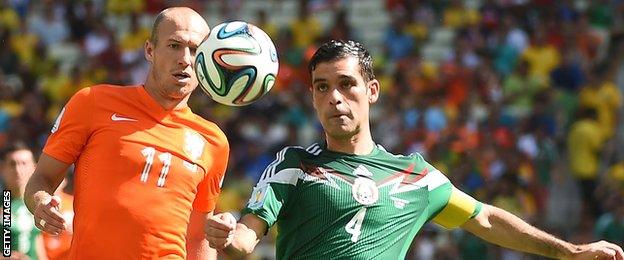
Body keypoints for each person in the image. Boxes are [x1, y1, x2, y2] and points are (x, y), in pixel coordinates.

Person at [205, 40, 624, 259]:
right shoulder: (294, 165)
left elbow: (486, 219)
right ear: (313, 99)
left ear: (372, 91)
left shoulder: (414, 176)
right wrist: (228, 232)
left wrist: (568, 252)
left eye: (346, 84)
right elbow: (245, 239)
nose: (335, 97)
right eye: (321, 87)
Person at [24, 7, 229, 259]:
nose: (185, 59)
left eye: (196, 50)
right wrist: (41, 202)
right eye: (174, 45)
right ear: (149, 51)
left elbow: (198, 237)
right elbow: (41, 179)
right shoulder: (93, 102)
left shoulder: (213, 141)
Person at [1, 141, 46, 259]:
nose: (18, 170)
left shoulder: (37, 204)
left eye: (24, 163)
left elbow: (37, 244)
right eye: (12, 164)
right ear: (2, 169)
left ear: (34, 168)